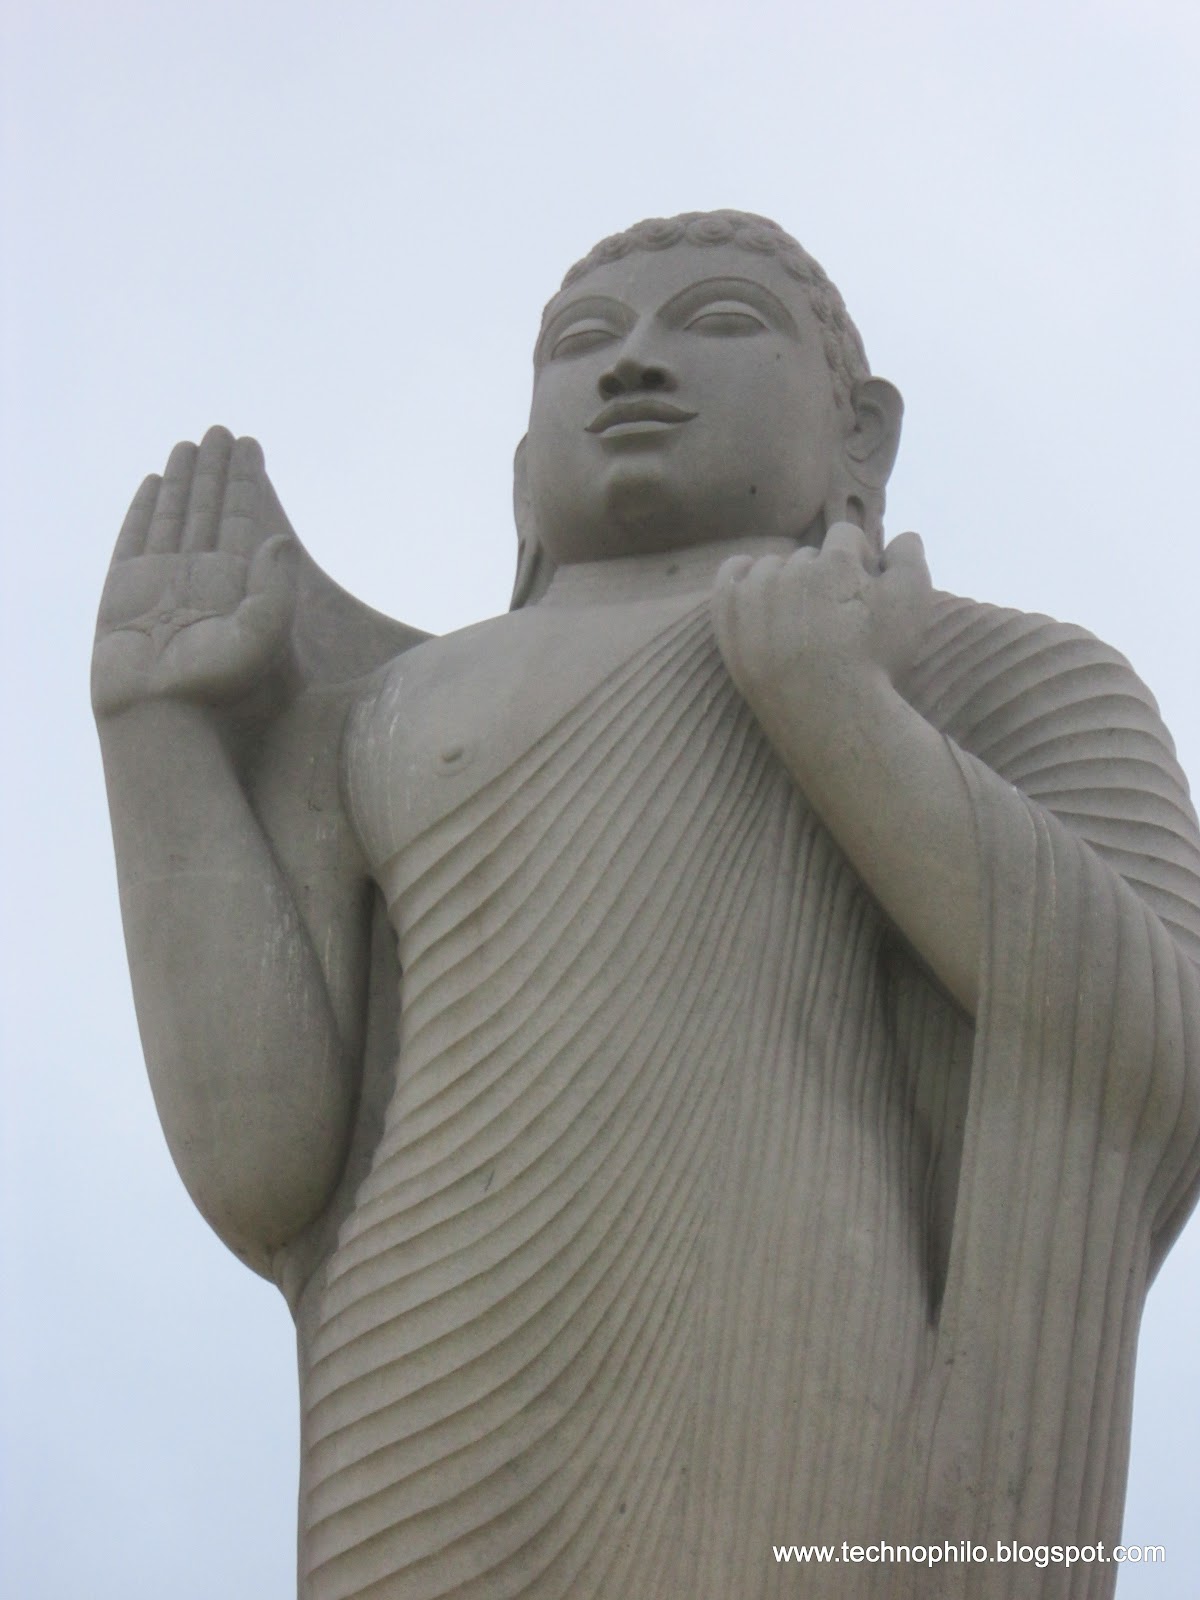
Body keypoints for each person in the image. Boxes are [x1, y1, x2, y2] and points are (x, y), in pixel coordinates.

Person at [93, 211, 1200, 1599]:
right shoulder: (377, 713)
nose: (632, 367)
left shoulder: (973, 666)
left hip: (787, 1348)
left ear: (860, 437)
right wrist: (163, 747)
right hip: (424, 1364)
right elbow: (269, 1172)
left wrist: (838, 710)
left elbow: (1149, 1029)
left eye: (719, 323)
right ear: (519, 463)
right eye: (584, 345)